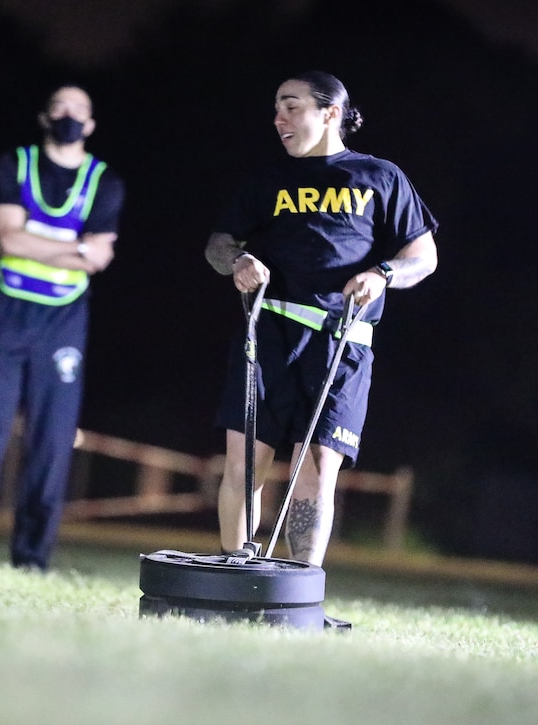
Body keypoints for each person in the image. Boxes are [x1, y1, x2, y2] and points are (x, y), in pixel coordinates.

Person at [205, 70, 438, 566]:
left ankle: (298, 592)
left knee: (314, 471)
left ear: (330, 112)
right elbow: (219, 244)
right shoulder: (267, 180)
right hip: (269, 333)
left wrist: (384, 273)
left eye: (291, 106)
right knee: (246, 462)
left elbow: (425, 255)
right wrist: (238, 261)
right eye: (276, 108)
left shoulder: (379, 176)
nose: (279, 118)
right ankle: (233, 577)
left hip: (342, 343)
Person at [0, 84, 125, 570]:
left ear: (90, 124)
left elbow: (102, 258)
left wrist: (35, 242)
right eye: (59, 107)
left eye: (79, 110)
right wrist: (75, 249)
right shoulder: (16, 164)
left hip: (64, 319)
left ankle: (31, 557)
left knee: (51, 440)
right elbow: (8, 239)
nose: (68, 116)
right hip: (7, 313)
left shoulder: (103, 180)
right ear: (44, 117)